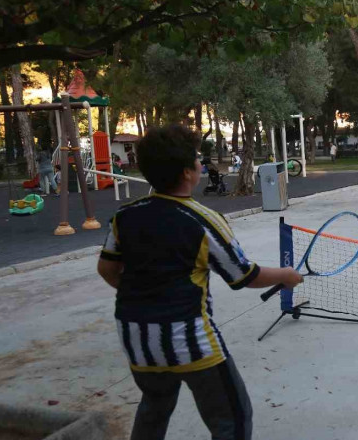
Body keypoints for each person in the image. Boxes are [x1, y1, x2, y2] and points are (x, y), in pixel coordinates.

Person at [97, 126, 304, 440]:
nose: (200, 164)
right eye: (197, 159)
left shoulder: (124, 216)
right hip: (188, 339)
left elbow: (107, 270)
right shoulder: (202, 220)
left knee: (155, 404)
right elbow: (244, 276)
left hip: (136, 338)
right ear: (187, 173)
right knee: (232, 419)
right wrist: (287, 275)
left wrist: (147, 296)